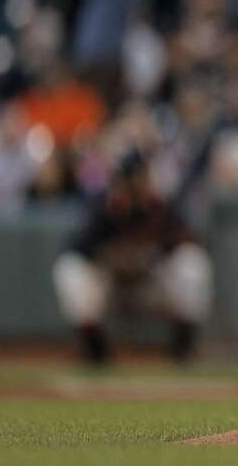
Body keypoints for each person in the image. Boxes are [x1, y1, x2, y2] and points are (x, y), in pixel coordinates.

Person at [52, 150, 212, 363]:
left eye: (139, 179)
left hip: (149, 286)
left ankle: (183, 347)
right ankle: (94, 349)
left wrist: (146, 257)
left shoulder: (160, 208)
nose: (135, 186)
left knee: (192, 262)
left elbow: (190, 242)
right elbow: (75, 250)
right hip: (112, 287)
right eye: (130, 180)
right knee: (70, 267)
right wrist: (112, 256)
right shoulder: (104, 209)